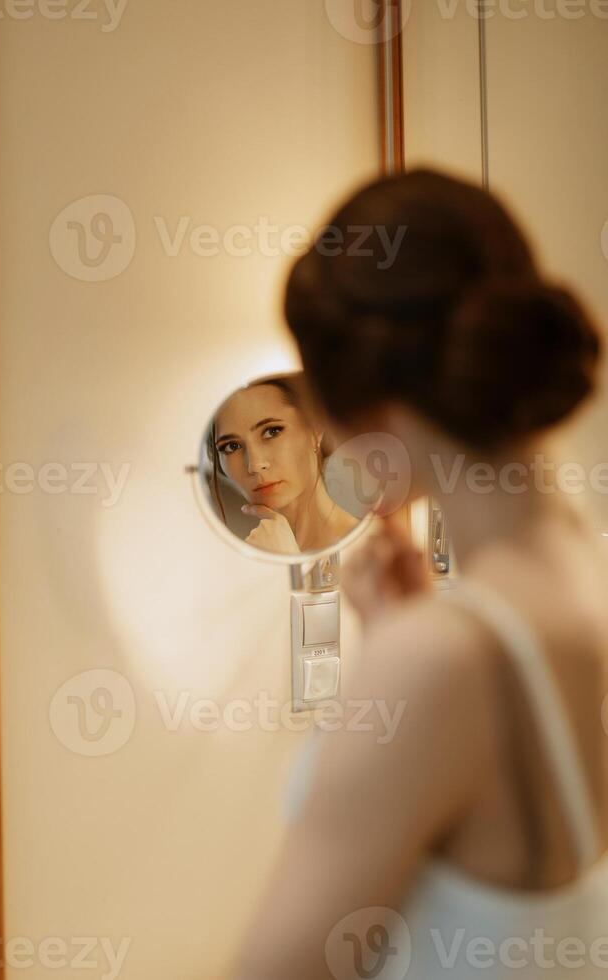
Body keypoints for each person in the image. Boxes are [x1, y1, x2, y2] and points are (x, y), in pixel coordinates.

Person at [229, 169, 608, 979]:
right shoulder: (580, 577)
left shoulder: (440, 660)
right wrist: (397, 636)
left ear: (358, 409)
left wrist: (400, 655)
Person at [209, 374, 358, 555]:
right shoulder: (237, 565)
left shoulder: (375, 551)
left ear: (315, 428)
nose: (255, 465)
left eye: (272, 431)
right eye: (231, 446)